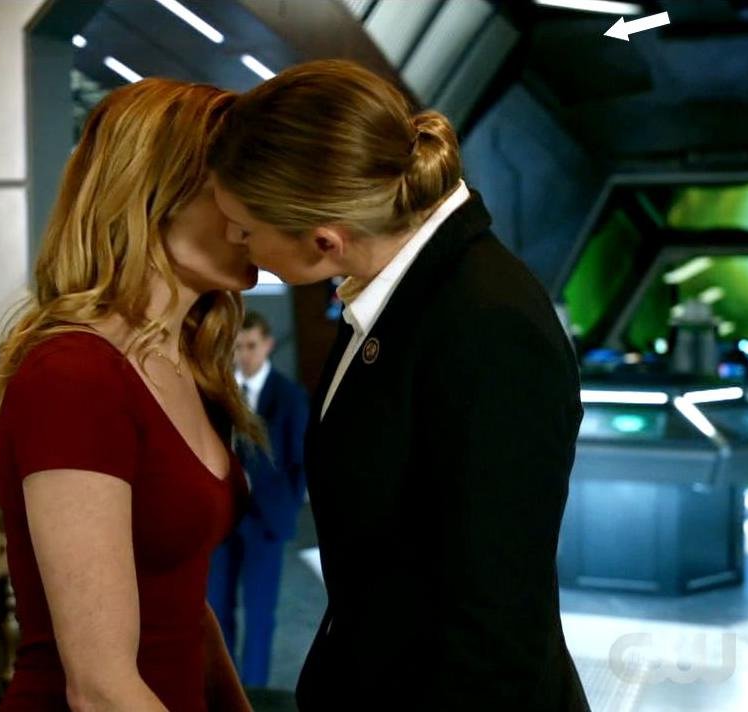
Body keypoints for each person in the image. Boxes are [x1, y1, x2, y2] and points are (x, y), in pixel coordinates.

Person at [209, 60, 590, 711]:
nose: (233, 241)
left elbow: (495, 617)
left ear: (325, 238)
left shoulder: (486, 323)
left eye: (244, 229)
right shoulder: (396, 292)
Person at [0, 78, 262, 712]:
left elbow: (182, 606)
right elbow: (100, 688)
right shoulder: (74, 376)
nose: (262, 208)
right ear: (157, 193)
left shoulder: (184, 361)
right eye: (239, 184)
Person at [207, 311, 309, 688]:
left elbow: (300, 461)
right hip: (223, 521)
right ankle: (227, 690)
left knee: (260, 614)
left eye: (251, 346)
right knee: (217, 611)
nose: (244, 355)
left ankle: (254, 693)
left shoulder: (288, 396)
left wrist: (285, 507)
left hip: (266, 522)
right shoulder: (219, 394)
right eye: (237, 347)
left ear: (267, 345)